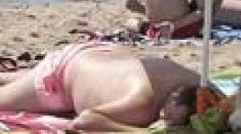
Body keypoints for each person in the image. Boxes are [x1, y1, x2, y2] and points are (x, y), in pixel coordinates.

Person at [0, 43, 200, 131]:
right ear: (172, 99)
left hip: (102, 54)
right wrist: (136, 131)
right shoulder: (141, 103)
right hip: (59, 76)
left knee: (19, 81)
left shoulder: (197, 81)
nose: (164, 120)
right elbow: (85, 120)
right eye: (170, 117)